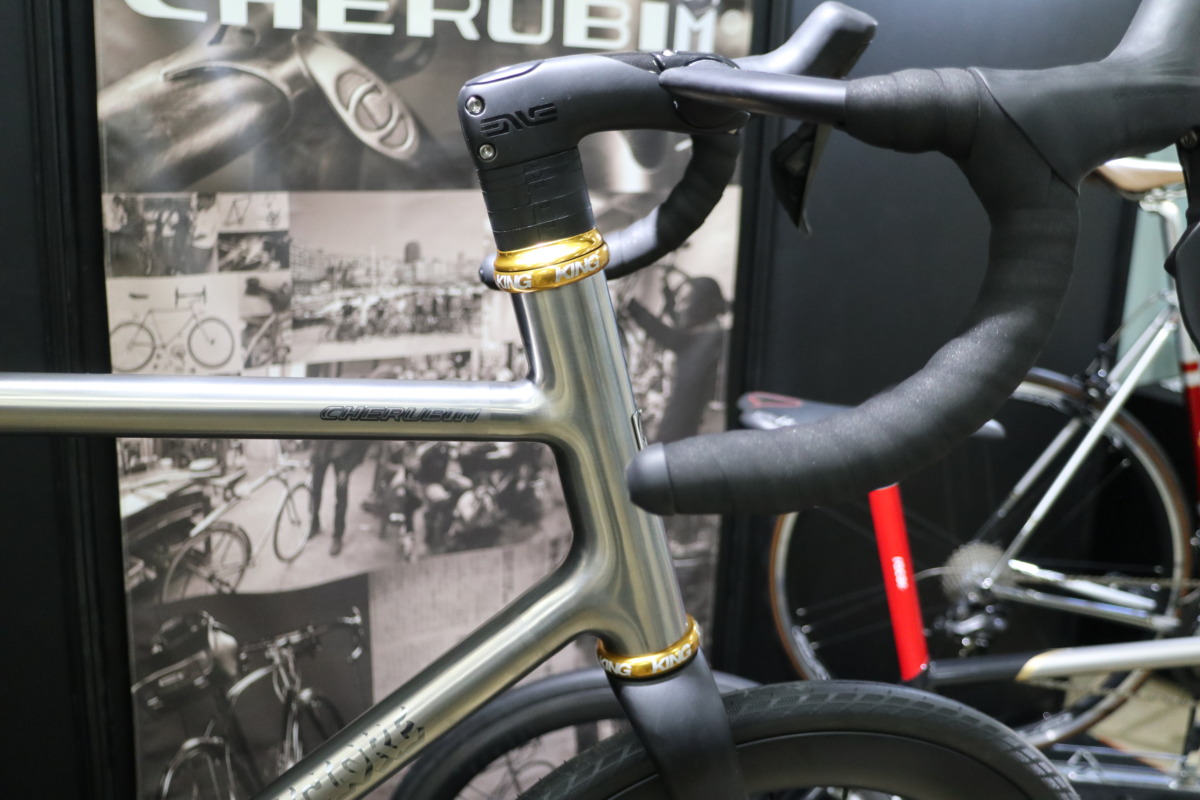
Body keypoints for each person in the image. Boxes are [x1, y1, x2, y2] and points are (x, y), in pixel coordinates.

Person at [622, 275, 728, 443]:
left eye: (685, 301)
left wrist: (631, 305)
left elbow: (667, 333)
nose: (679, 308)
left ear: (702, 305)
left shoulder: (709, 342)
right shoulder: (707, 338)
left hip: (681, 442)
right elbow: (677, 327)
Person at [309, 439, 371, 556]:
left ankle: (338, 536)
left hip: (344, 455)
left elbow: (363, 444)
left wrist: (347, 469)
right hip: (322, 451)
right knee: (315, 489)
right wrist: (313, 457)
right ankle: (314, 524)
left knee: (341, 495)